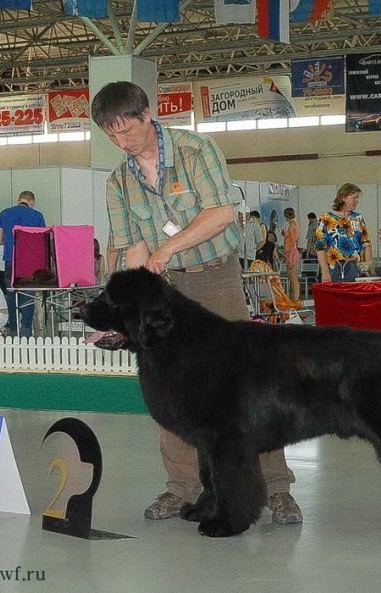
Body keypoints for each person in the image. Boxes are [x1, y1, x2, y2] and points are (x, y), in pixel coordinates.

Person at [90, 80, 301, 525]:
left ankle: (277, 489)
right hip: (163, 290)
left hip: (216, 278)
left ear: (147, 115)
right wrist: (127, 297)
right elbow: (130, 247)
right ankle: (181, 489)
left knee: (248, 386)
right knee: (167, 390)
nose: (121, 142)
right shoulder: (118, 182)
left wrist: (167, 250)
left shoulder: (196, 150)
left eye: (126, 130)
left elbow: (221, 212)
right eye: (111, 135)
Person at [0, 190, 46, 337]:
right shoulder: (37, 215)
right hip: (29, 263)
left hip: (10, 259)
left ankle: (13, 333)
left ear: (19, 199)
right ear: (32, 202)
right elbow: (42, 241)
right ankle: (26, 333)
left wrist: (10, 241)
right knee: (28, 297)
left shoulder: (4, 213)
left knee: (11, 297)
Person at [314, 183, 373, 282]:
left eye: (357, 198)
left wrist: (367, 266)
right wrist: (325, 272)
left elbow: (366, 244)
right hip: (334, 270)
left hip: (357, 270)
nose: (357, 201)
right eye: (354, 198)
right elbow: (320, 248)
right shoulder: (326, 219)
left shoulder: (358, 218)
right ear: (343, 197)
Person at [238, 205, 264, 271]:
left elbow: (260, 242)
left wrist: (252, 250)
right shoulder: (236, 225)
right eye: (239, 214)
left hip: (249, 258)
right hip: (238, 256)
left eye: (242, 214)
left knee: (248, 278)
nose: (240, 216)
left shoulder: (255, 225)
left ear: (248, 215)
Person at [283, 207, 300, 299]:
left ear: (286, 216)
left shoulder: (291, 226)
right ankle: (294, 297)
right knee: (290, 277)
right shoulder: (294, 225)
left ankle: (296, 298)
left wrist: (290, 257)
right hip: (291, 252)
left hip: (291, 253)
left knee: (293, 277)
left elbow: (293, 242)